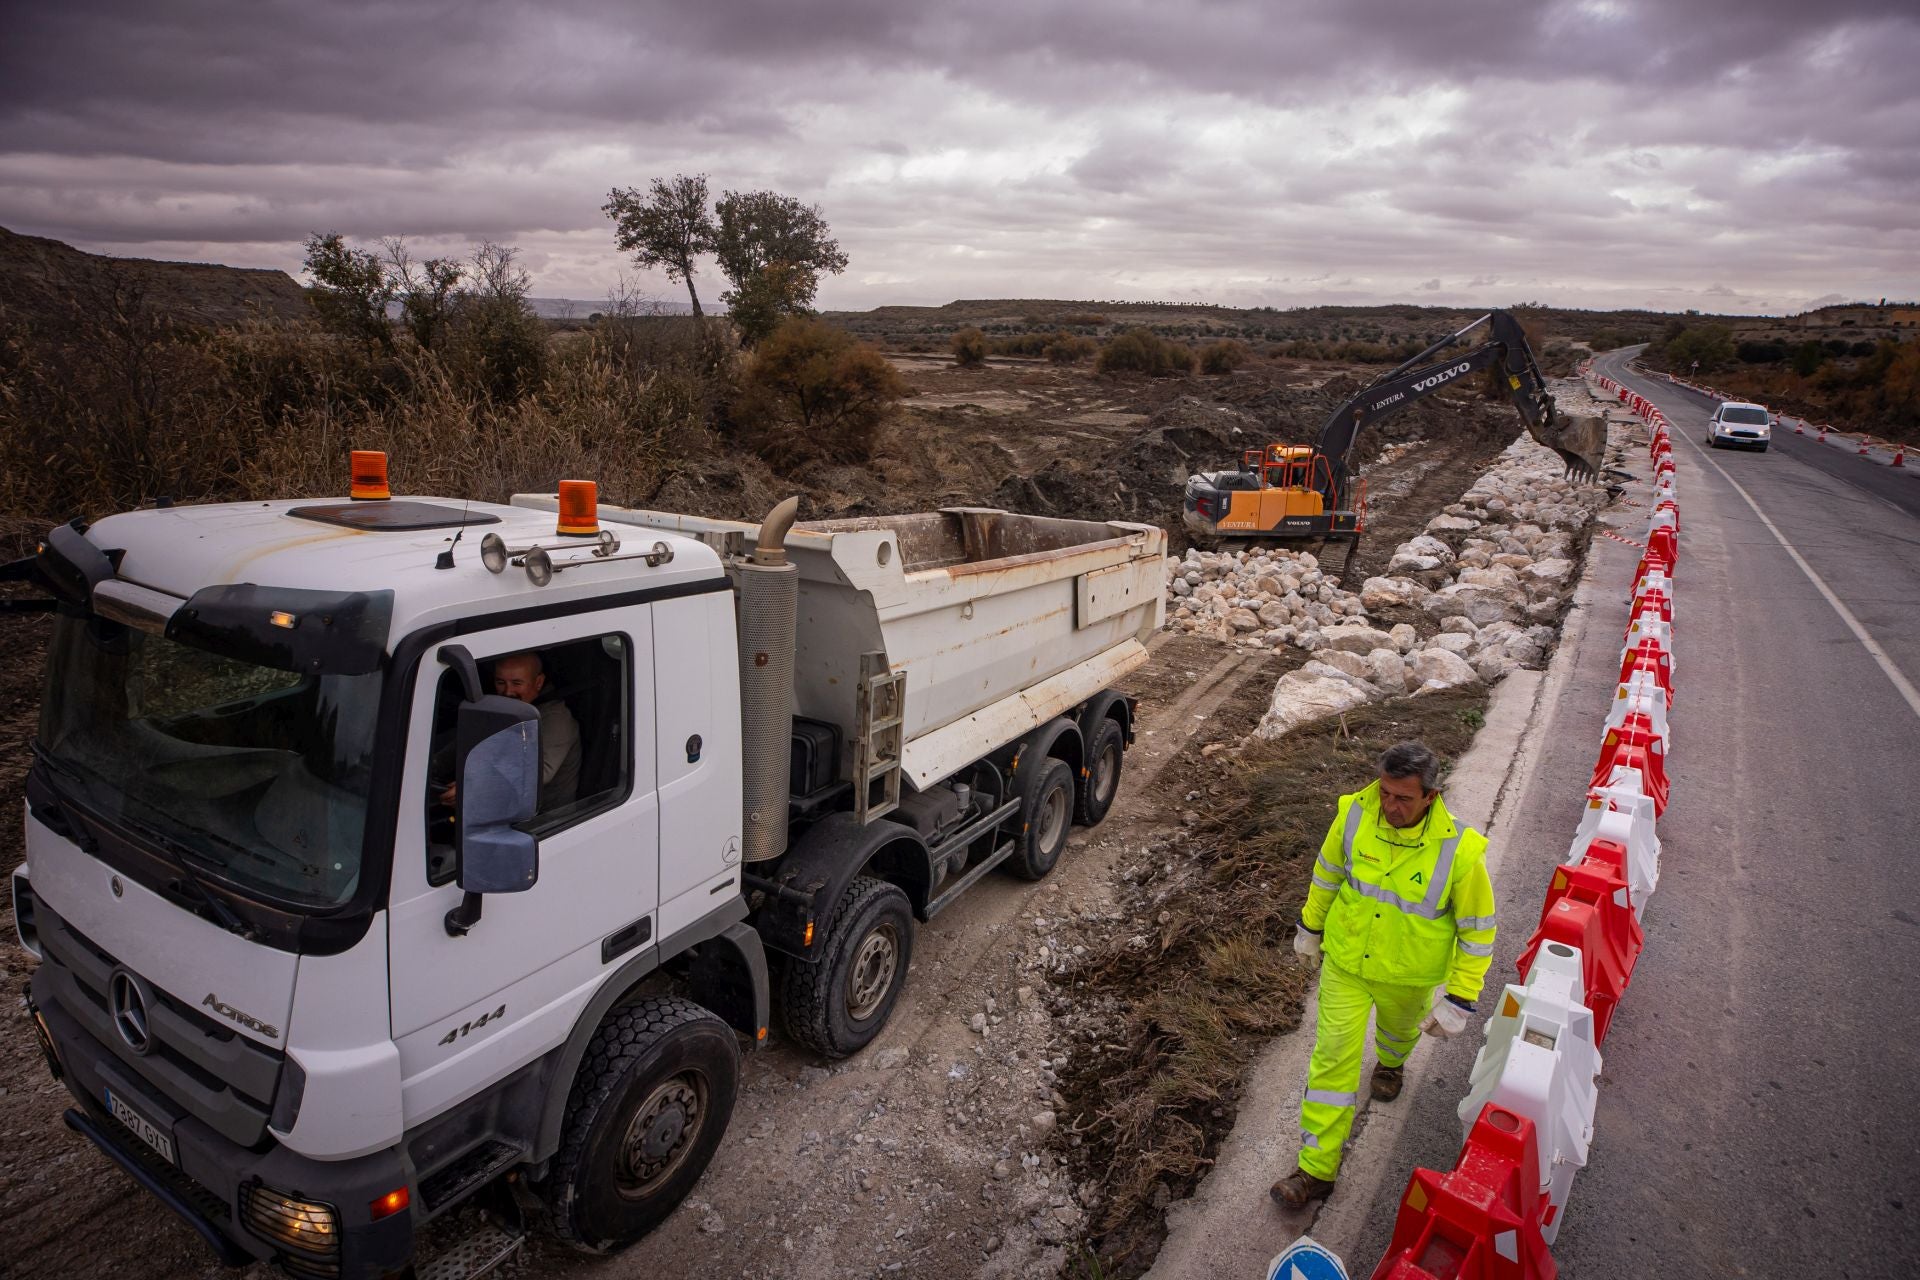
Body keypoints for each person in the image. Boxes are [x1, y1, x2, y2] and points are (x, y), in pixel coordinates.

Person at [1270, 741, 1496, 1209]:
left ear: (1430, 797)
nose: (1390, 806)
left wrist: (1460, 996)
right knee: (1332, 1058)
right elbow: (1328, 872)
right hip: (1347, 963)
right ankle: (1315, 1170)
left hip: (1408, 976)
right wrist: (1310, 926)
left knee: (1396, 1036)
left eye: (1403, 799)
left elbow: (1477, 931)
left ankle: (1391, 1063)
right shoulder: (1355, 813)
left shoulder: (1460, 851)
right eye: (1386, 793)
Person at [437, 651, 582, 813]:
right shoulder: (506, 707)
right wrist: (433, 766)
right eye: (501, 682)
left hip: (542, 821)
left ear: (539, 682)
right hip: (505, 806)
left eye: (517, 683)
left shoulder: (556, 719)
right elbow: (469, 739)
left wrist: (476, 785)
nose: (508, 692)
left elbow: (540, 773)